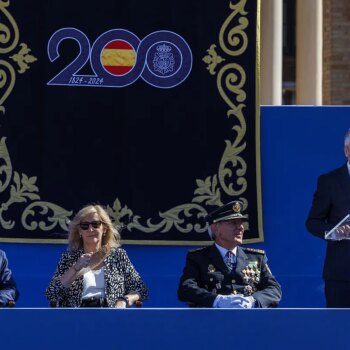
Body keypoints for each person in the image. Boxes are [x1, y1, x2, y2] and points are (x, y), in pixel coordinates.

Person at [177, 200, 282, 308]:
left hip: (250, 320)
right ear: (215, 229)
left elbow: (274, 289)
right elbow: (185, 289)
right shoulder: (198, 258)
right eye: (233, 223)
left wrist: (252, 301)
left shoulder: (256, 258)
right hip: (213, 321)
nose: (240, 227)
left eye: (241, 223)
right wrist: (217, 300)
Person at [45, 204, 148, 307]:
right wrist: (75, 268)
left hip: (111, 315)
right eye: (85, 225)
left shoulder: (118, 256)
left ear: (105, 229)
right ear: (80, 231)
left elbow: (140, 289)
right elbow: (52, 294)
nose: (90, 229)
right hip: (77, 316)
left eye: (95, 224)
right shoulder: (68, 258)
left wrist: (124, 301)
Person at [306, 128, 350, 307]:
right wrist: (333, 232)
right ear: (347, 151)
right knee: (339, 330)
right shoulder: (329, 181)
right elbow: (312, 222)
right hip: (343, 273)